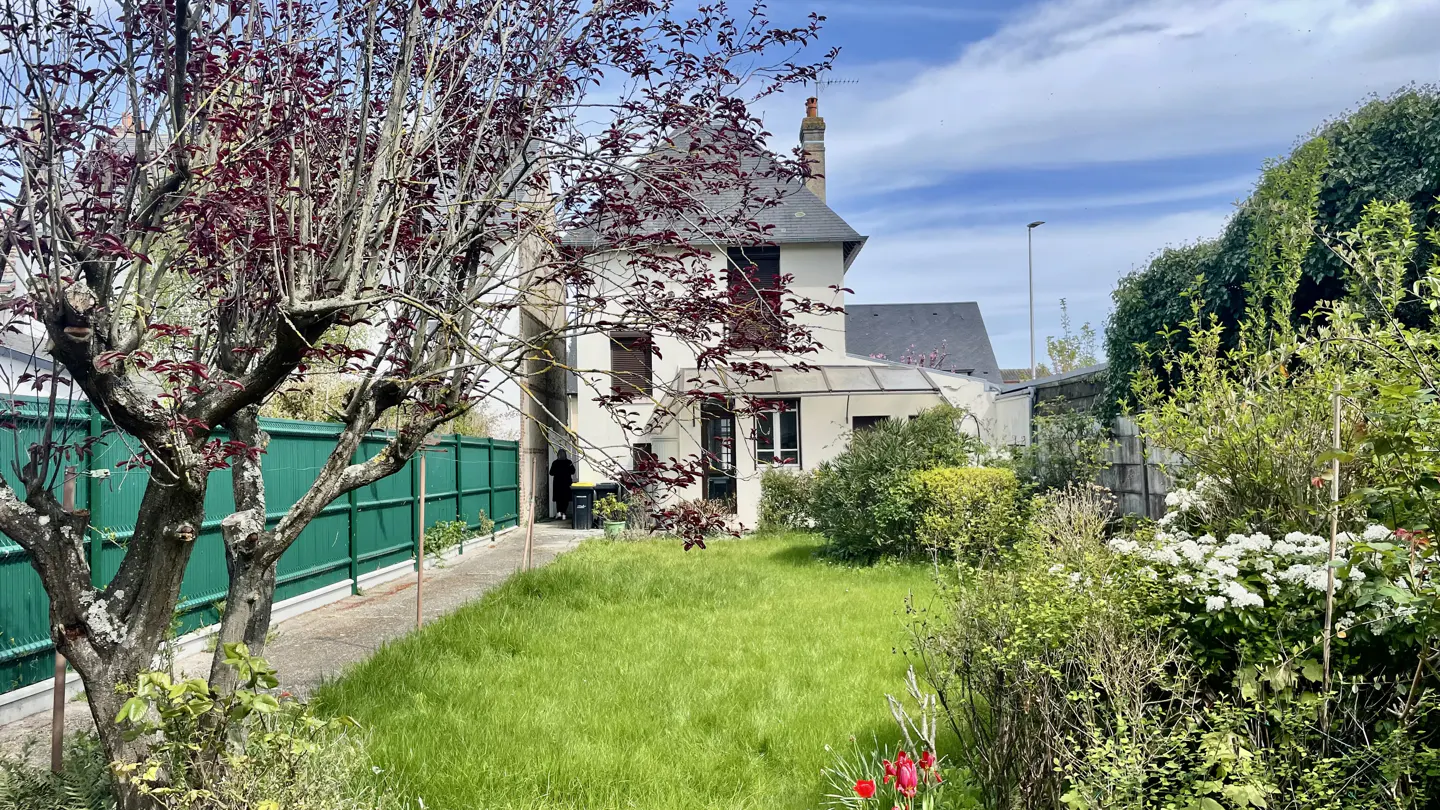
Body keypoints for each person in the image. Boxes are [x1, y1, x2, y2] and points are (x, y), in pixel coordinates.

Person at [549, 449, 576, 521]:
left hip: (558, 483)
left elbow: (551, 473)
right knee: (565, 499)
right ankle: (564, 513)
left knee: (558, 499)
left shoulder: (555, 463)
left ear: (558, 455)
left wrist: (557, 472)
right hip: (566, 483)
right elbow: (573, 471)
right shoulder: (568, 462)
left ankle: (558, 513)